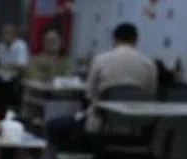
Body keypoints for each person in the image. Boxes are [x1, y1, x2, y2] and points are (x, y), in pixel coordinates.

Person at [46, 22, 156, 151]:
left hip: (101, 125)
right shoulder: (149, 64)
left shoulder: (101, 59)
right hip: (133, 128)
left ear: (114, 39)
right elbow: (150, 96)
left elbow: (89, 94)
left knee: (54, 125)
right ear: (136, 40)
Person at [0, 24, 29, 114]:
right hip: (1, 79)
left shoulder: (20, 45)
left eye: (8, 33)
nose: (5, 35)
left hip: (15, 80)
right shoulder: (1, 46)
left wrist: (4, 66)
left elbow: (21, 66)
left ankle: (7, 113)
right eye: (4, 33)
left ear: (14, 34)